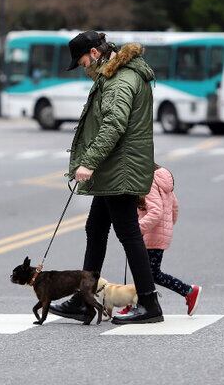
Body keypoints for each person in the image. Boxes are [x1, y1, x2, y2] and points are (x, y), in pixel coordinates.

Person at [49, 31, 163, 324]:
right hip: (114, 169)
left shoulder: (120, 82)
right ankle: (83, 300)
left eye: (83, 59)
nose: (83, 66)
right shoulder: (113, 76)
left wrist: (88, 162)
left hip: (119, 169)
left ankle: (149, 304)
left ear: (95, 54)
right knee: (95, 229)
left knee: (128, 233)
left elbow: (113, 125)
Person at [120, 164, 202, 316]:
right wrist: (167, 228)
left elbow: (156, 212)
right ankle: (135, 303)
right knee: (145, 272)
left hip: (150, 234)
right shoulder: (162, 181)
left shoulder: (148, 183)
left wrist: (136, 229)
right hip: (158, 233)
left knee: (150, 273)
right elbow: (174, 208)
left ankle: (188, 291)